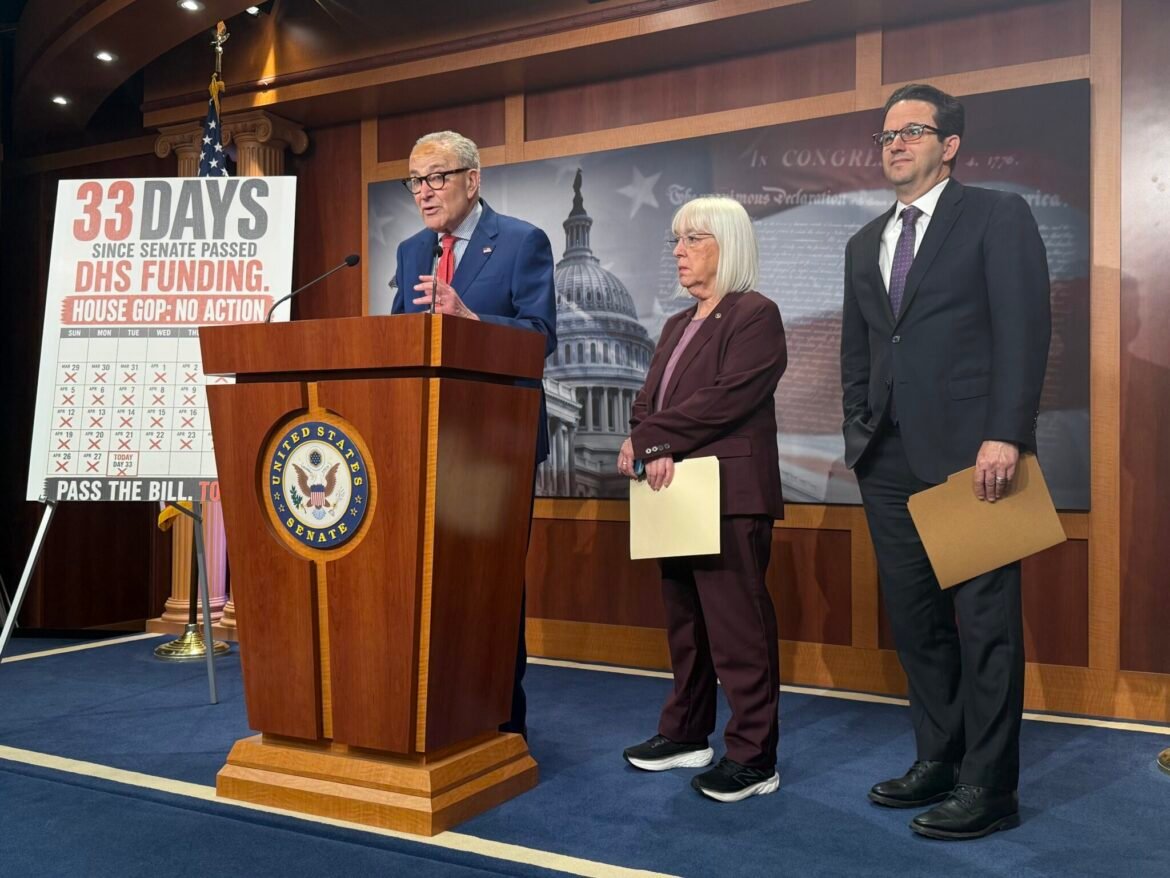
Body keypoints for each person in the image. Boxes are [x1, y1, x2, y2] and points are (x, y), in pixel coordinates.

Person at [840, 84, 1051, 839]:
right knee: (918, 623)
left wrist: (1007, 432)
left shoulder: (997, 215)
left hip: (974, 458)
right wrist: (856, 430)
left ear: (950, 145)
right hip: (886, 460)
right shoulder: (865, 242)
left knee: (984, 624)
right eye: (886, 134)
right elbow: (860, 351)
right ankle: (940, 758)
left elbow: (1024, 330)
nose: (895, 143)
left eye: (913, 131)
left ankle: (990, 787)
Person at [618, 195, 787, 803]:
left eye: (693, 240)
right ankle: (687, 734)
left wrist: (653, 437)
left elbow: (728, 398)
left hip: (729, 495)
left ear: (729, 244)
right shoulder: (675, 323)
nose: (679, 252)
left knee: (738, 631)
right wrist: (650, 438)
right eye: (675, 241)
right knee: (686, 626)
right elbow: (649, 400)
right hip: (675, 491)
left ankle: (753, 756)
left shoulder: (755, 314)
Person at [391, 130, 556, 738]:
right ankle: (437, 711)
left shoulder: (520, 242)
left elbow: (541, 337)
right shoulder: (413, 250)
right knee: (430, 582)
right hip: (427, 444)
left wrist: (471, 318)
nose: (425, 192)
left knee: (487, 584)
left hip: (497, 447)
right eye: (415, 181)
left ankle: (498, 718)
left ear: (472, 179)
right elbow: (400, 341)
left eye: (437, 177)